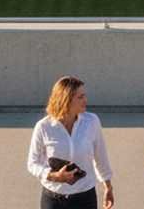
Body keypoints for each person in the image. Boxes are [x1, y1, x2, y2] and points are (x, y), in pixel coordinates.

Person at [26, 76, 115, 209]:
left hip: (85, 199)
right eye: (80, 97)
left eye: (84, 96)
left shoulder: (92, 122)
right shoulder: (44, 127)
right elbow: (32, 163)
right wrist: (53, 176)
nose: (85, 100)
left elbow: (101, 156)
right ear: (65, 99)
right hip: (53, 200)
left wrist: (108, 186)